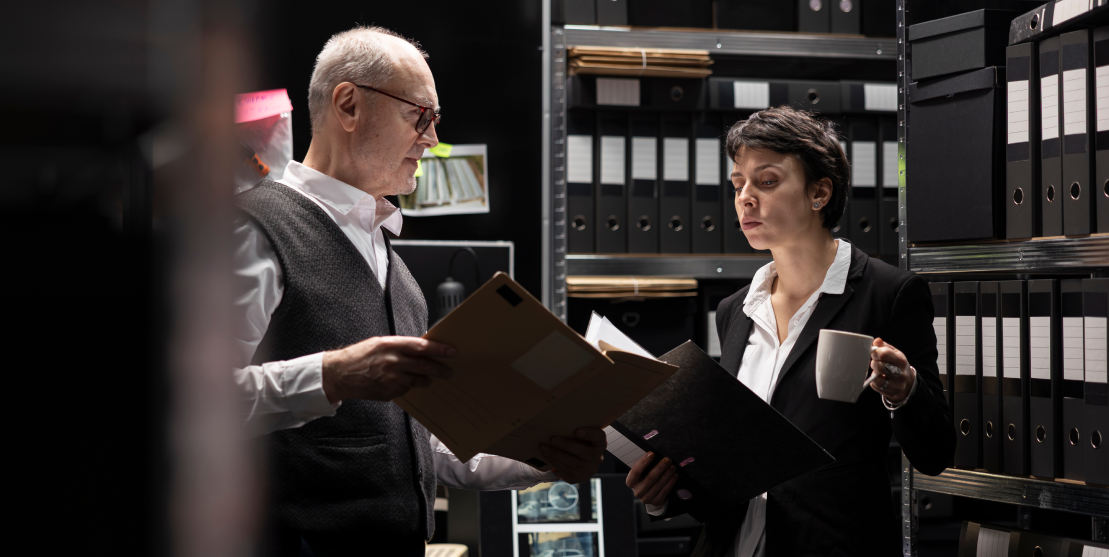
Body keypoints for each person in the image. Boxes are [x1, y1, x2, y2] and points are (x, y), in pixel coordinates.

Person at [231, 26, 606, 556]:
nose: (431, 138)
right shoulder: (254, 229)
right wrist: (332, 376)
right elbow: (194, 401)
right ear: (348, 105)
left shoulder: (394, 266)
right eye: (420, 115)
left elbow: (419, 443)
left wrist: (539, 456)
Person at [624, 106, 955, 556]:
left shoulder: (889, 293)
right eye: (738, 183)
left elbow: (935, 452)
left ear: (819, 192)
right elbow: (735, 467)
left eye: (767, 181)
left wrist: (903, 389)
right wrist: (664, 495)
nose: (744, 197)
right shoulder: (735, 310)